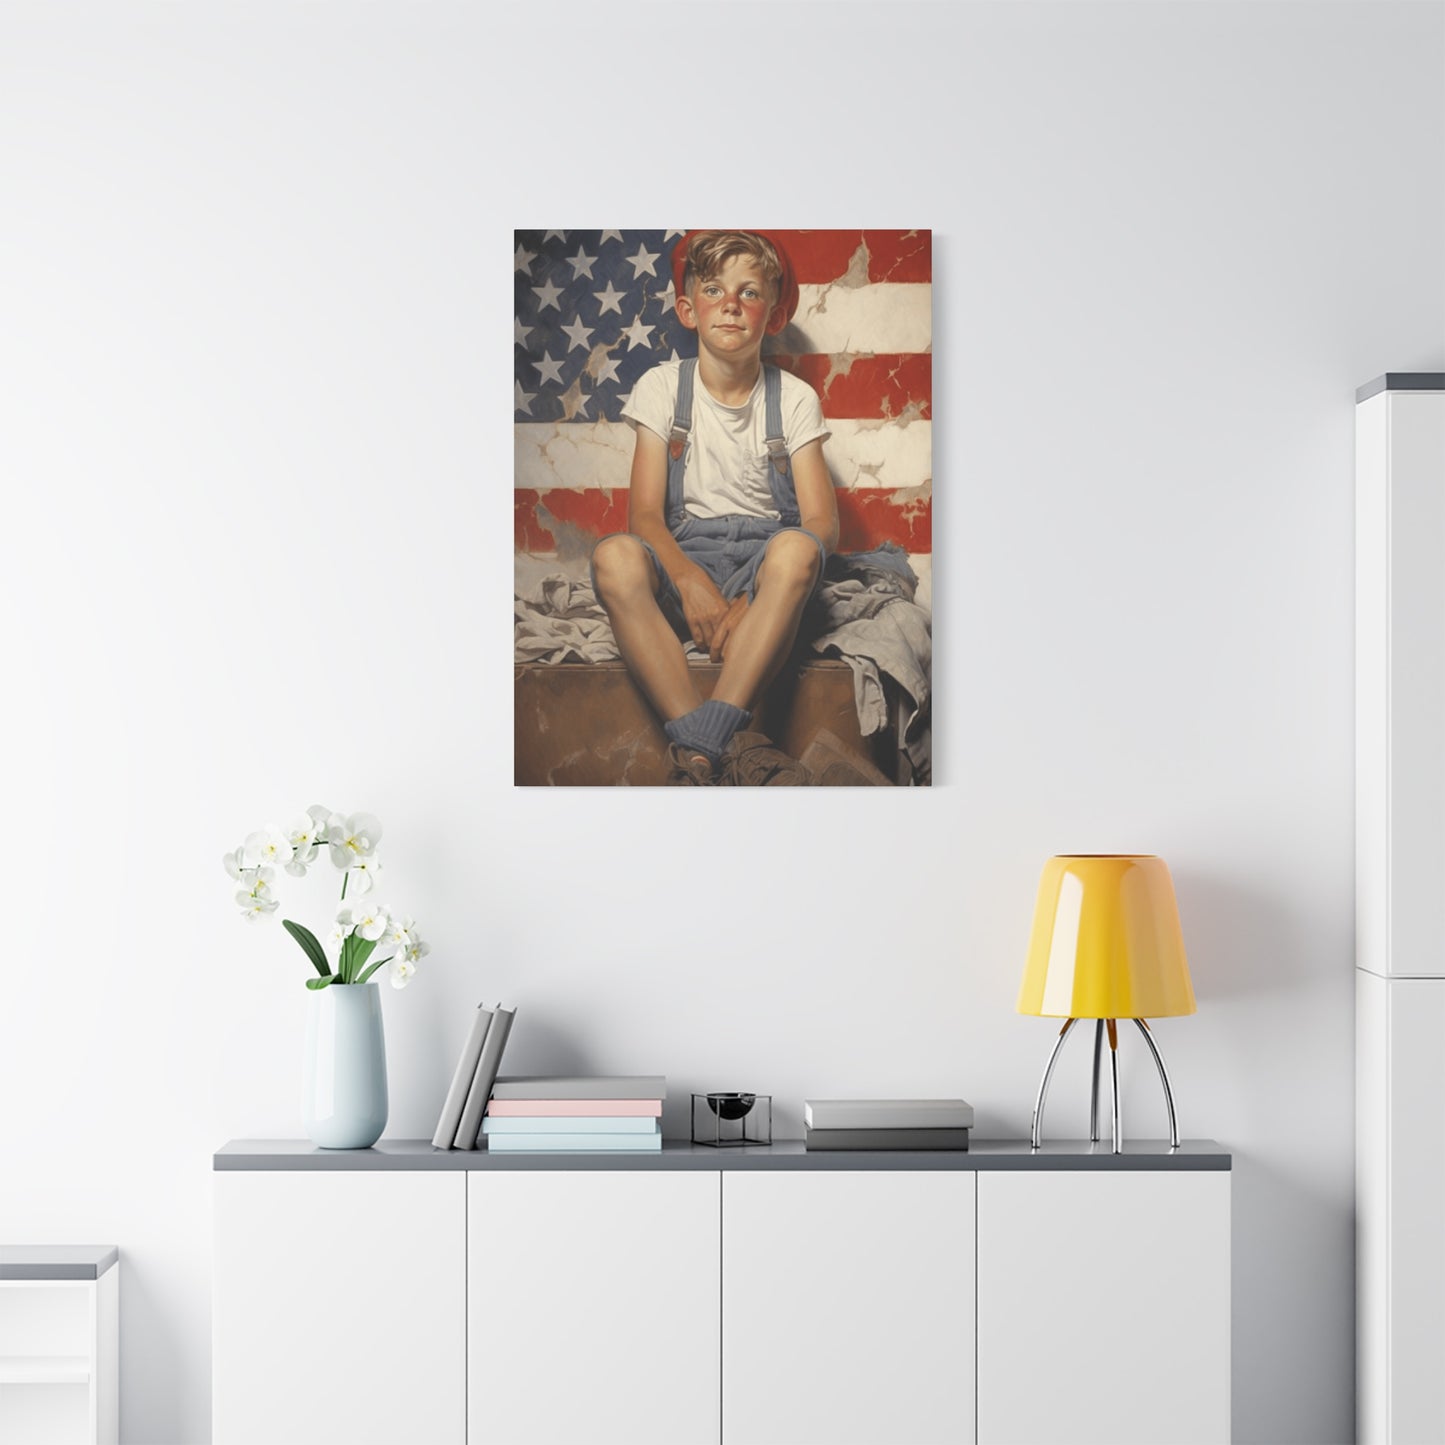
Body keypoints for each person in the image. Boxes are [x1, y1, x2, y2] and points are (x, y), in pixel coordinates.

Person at [590, 230, 838, 785]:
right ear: (687, 309)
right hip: (682, 555)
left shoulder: (794, 398)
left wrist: (756, 596)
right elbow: (646, 518)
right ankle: (725, 747)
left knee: (799, 548)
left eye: (750, 292)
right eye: (714, 289)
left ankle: (697, 752)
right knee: (614, 557)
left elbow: (822, 522)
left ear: (772, 315)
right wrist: (687, 580)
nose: (731, 303)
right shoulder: (661, 388)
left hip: (766, 568)